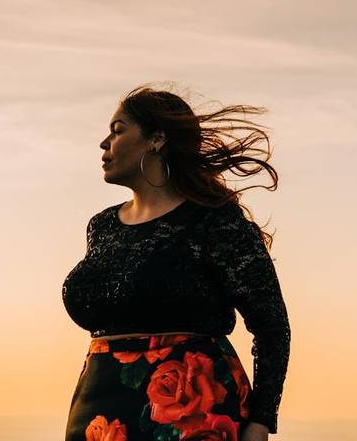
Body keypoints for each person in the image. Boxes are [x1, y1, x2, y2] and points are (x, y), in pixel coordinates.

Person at [62, 84, 291, 440]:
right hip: (100, 416)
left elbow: (272, 326)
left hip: (194, 416)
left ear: (156, 140)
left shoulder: (215, 221)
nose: (104, 143)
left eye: (118, 130)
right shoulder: (102, 226)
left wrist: (261, 421)